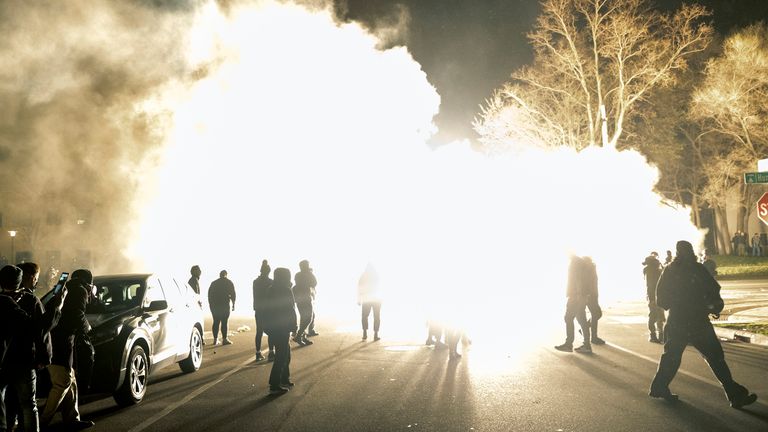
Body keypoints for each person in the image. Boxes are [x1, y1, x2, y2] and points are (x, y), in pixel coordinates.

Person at [649, 240, 757, 408]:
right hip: (698, 321)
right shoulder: (697, 269)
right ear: (691, 251)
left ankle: (659, 387)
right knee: (715, 358)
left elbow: (661, 299)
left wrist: (676, 304)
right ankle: (734, 395)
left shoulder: (670, 270)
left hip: (678, 320)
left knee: (672, 357)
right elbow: (714, 290)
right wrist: (714, 305)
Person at [0, 264, 64, 432]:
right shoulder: (29, 300)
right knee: (29, 404)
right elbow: (40, 330)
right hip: (24, 360)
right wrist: (57, 305)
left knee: (6, 403)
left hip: (2, 362)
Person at [40, 268, 95, 429]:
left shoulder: (64, 287)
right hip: (59, 344)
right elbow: (77, 314)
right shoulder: (80, 290)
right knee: (62, 383)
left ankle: (72, 419)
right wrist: (88, 329)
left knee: (71, 381)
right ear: (88, 282)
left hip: (56, 341)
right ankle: (42, 421)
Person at [262, 267, 297, 395]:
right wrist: (294, 327)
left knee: (285, 354)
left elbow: (266, 309)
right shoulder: (286, 290)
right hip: (282, 328)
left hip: (273, 327)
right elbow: (291, 309)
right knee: (282, 356)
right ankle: (274, 384)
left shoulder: (270, 290)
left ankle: (284, 379)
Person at [555, 256, 592, 353]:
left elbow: (578, 279)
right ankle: (587, 345)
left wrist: (578, 294)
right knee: (582, 320)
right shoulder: (581, 262)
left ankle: (568, 344)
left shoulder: (575, 262)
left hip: (576, 296)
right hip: (581, 295)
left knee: (568, 318)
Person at [253, 260, 274, 361]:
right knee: (271, 331)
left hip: (259, 309)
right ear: (269, 271)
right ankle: (271, 352)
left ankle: (258, 353)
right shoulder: (271, 282)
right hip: (269, 310)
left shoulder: (255, 282)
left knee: (259, 332)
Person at [292, 260, 316, 346]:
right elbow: (314, 283)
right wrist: (310, 273)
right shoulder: (307, 274)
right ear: (305, 266)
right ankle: (299, 336)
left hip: (299, 299)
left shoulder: (298, 275)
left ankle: (303, 337)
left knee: (303, 318)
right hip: (306, 298)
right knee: (309, 318)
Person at [208, 270, 236, 345]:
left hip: (215, 306)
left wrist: (210, 305)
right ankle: (224, 339)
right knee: (224, 322)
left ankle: (215, 340)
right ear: (226, 275)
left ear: (220, 275)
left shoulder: (214, 283)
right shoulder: (229, 282)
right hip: (225, 305)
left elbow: (209, 295)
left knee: (216, 322)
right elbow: (233, 294)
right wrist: (233, 304)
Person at [643, 252, 665, 343]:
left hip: (656, 296)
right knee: (655, 316)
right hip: (654, 297)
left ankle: (659, 335)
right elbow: (650, 286)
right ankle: (655, 335)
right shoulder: (651, 272)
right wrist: (652, 299)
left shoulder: (650, 270)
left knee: (658, 316)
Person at [357, 264, 382, 341]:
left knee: (364, 316)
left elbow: (360, 287)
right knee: (376, 316)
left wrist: (359, 299)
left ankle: (365, 333)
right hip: (376, 299)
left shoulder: (363, 275)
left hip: (367, 299)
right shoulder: (376, 275)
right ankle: (376, 334)